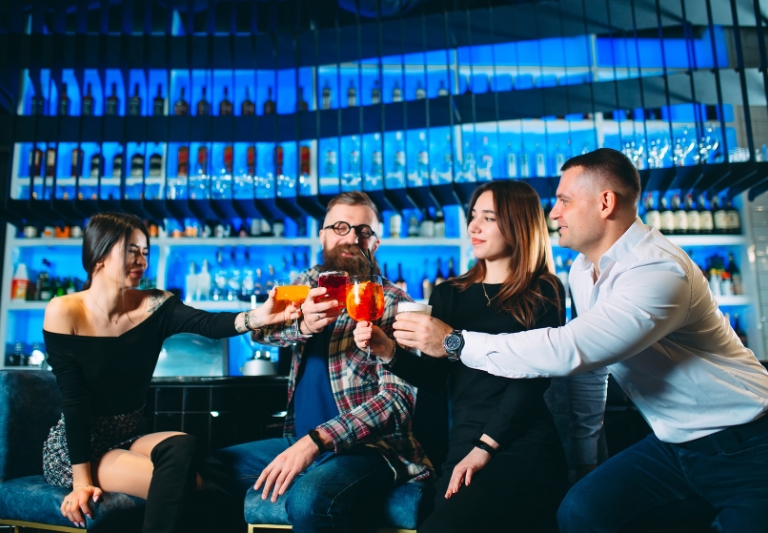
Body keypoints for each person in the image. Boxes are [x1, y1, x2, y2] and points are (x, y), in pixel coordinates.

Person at [396, 148, 768, 533]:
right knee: (581, 510)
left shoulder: (658, 271)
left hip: (747, 444)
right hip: (672, 446)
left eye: (564, 200)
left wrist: (455, 343)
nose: (554, 212)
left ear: (606, 203)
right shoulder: (583, 270)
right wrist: (586, 459)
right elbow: (592, 371)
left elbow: (568, 350)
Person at [354, 180, 604, 532]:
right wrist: (388, 351)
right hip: (464, 442)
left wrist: (485, 447)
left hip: (521, 443)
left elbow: (532, 380)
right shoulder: (448, 294)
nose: (473, 226)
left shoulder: (544, 289)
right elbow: (434, 380)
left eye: (488, 217)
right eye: (473, 216)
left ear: (518, 224)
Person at [42, 212, 297, 533]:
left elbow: (208, 323)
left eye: (145, 252)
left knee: (184, 444)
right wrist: (81, 483)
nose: (142, 260)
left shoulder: (154, 305)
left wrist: (257, 316)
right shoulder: (64, 310)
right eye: (131, 250)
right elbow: (74, 400)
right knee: (195, 486)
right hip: (78, 446)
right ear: (100, 254)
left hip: (130, 435)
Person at [201, 192, 430, 533]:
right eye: (340, 227)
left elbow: (397, 402)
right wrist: (303, 325)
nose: (352, 237)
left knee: (309, 500)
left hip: (371, 450)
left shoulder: (395, 303)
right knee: (204, 469)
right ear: (322, 235)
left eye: (363, 231)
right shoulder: (304, 286)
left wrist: (315, 441)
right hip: (298, 440)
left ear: (376, 243)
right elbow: (260, 333)